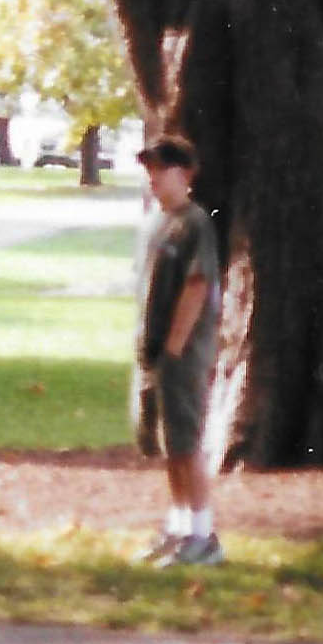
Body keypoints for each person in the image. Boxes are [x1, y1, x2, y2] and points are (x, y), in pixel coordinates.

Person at [132, 136, 224, 566]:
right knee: (170, 445)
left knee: (187, 444)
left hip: (181, 354)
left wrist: (174, 345)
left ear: (184, 173)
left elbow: (197, 283)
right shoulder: (157, 222)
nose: (153, 178)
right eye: (149, 169)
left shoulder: (194, 223)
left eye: (160, 169)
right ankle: (178, 526)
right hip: (153, 353)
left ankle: (204, 536)